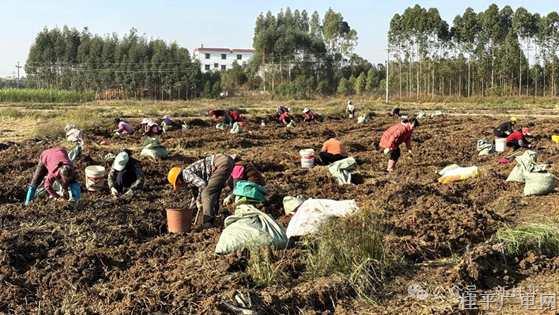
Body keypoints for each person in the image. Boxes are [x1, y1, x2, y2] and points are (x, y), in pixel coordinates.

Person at [167, 154, 234, 228]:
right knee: (213, 190)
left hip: (220, 163)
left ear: (178, 180)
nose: (181, 186)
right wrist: (190, 211)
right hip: (225, 161)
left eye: (178, 184)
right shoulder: (190, 177)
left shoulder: (185, 174)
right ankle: (214, 218)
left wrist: (199, 200)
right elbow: (195, 197)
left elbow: (202, 184)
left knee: (207, 192)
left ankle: (207, 222)